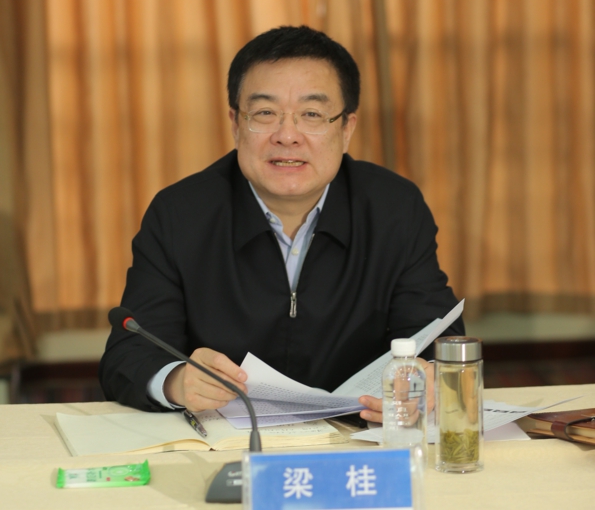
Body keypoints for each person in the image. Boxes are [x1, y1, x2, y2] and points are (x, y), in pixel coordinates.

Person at [99, 25, 464, 422]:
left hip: (361, 435)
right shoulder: (180, 214)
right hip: (226, 440)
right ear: (236, 124)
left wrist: (432, 376)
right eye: (265, 113)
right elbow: (129, 353)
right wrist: (175, 381)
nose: (287, 136)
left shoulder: (394, 208)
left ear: (346, 129)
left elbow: (435, 334)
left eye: (312, 115)